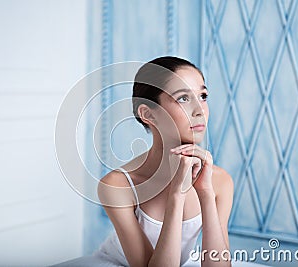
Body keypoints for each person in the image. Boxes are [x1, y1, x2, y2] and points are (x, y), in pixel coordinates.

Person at [53, 56, 265, 267]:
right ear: (148, 114)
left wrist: (206, 193)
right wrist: (176, 194)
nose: (200, 110)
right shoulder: (118, 185)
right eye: (183, 98)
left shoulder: (219, 181)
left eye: (202, 95)